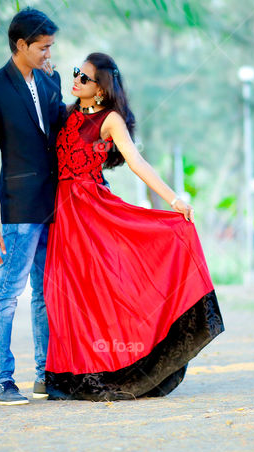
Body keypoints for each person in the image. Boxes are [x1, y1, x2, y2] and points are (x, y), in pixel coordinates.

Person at [44, 52, 224, 401]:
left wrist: (174, 200)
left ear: (100, 89)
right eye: (76, 73)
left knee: (103, 289)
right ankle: (67, 374)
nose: (77, 79)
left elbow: (136, 161)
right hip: (63, 213)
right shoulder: (66, 114)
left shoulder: (110, 121)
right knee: (65, 292)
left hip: (91, 210)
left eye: (85, 77)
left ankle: (119, 366)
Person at [0, 8, 66, 405]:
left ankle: (44, 376)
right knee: (9, 291)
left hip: (53, 206)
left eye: (51, 48)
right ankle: (0, 380)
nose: (49, 54)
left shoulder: (52, 80)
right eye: (43, 48)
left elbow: (60, 134)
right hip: (16, 210)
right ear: (21, 45)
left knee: (45, 292)